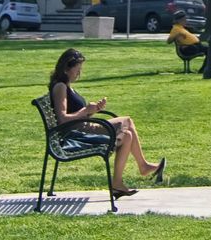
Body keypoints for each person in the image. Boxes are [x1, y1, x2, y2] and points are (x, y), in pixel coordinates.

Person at [48, 47, 165, 198]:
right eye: (77, 69)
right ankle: (141, 165)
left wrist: (94, 109)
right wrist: (85, 111)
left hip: (85, 127)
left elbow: (75, 113)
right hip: (79, 134)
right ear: (66, 68)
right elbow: (62, 118)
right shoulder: (60, 87)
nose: (79, 72)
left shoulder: (66, 86)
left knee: (128, 135)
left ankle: (118, 183)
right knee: (127, 121)